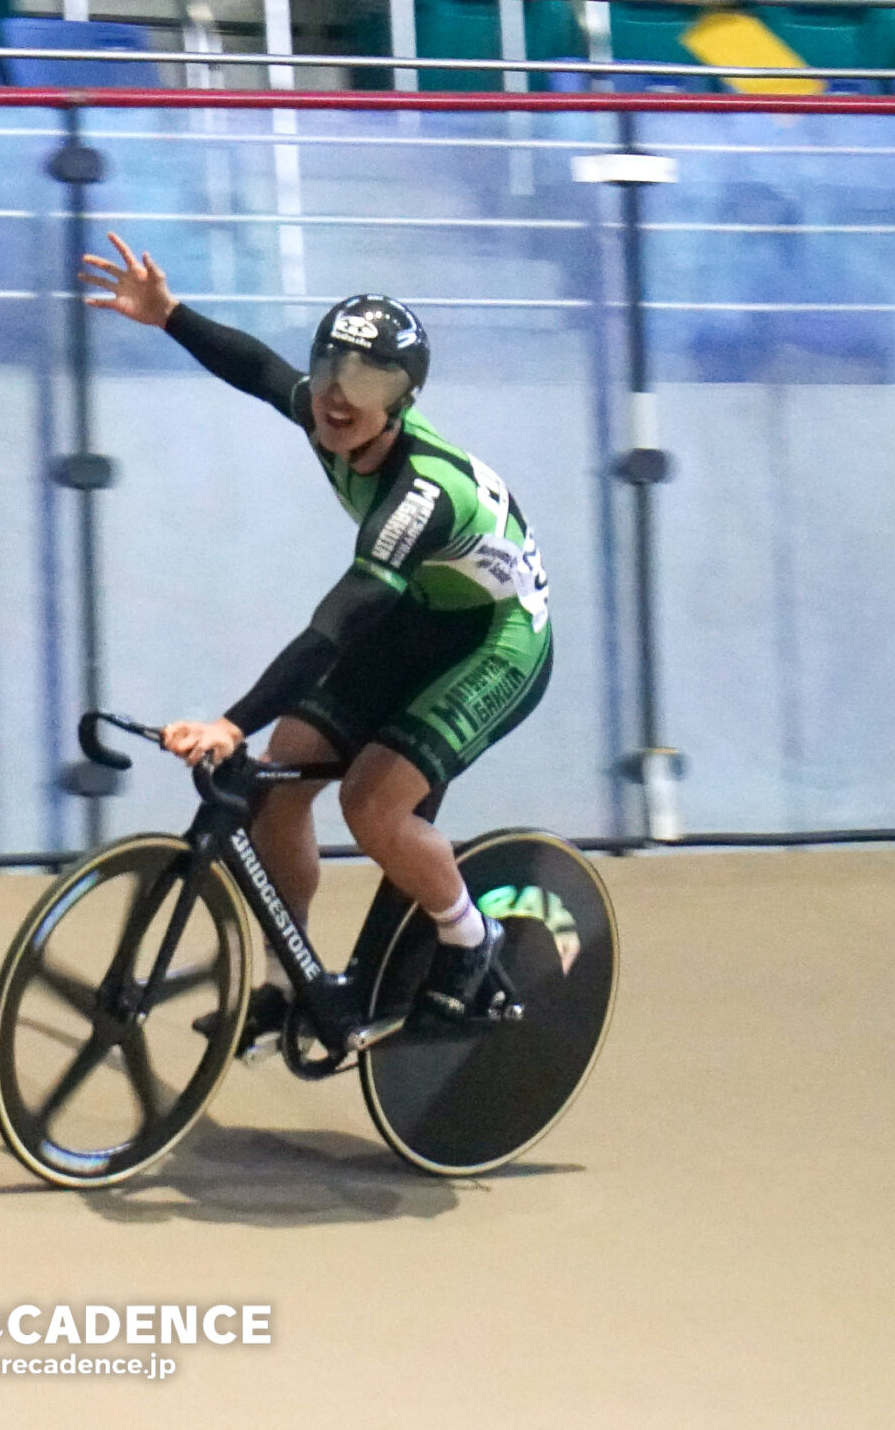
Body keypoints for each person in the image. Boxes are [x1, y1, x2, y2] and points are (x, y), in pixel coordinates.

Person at [79, 233, 553, 1038]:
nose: (337, 394)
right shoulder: (332, 414)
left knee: (372, 807)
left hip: (494, 639)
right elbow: (261, 370)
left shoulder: (421, 493)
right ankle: (289, 985)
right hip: (420, 615)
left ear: (402, 400)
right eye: (332, 368)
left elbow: (336, 625)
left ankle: (472, 940)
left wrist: (230, 720)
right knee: (278, 784)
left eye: (365, 381)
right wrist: (170, 316)